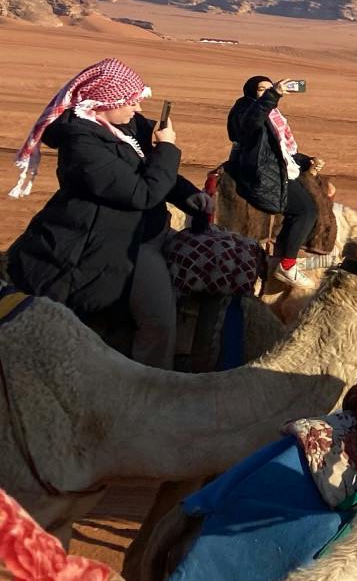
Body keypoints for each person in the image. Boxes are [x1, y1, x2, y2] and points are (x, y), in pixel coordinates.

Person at [6, 59, 208, 368]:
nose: (137, 107)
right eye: (130, 100)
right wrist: (168, 148)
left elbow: (148, 167)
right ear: (103, 102)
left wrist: (189, 195)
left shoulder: (125, 126)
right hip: (111, 242)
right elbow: (142, 192)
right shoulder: (82, 144)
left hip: (143, 230)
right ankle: (149, 388)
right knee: (159, 322)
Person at [225, 75, 319, 287]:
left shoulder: (273, 115)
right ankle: (288, 265)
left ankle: (279, 256)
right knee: (306, 211)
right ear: (251, 93)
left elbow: (281, 150)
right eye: (261, 90)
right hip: (262, 174)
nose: (267, 92)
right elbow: (251, 125)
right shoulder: (244, 110)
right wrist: (273, 95)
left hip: (279, 167)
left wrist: (306, 161)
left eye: (270, 89)